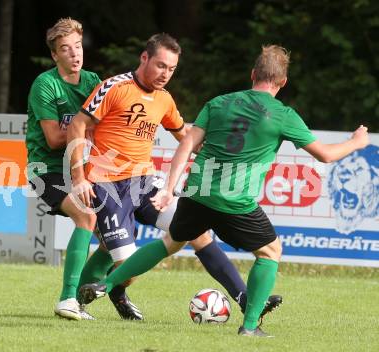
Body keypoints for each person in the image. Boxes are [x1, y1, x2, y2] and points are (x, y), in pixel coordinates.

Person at [78, 45, 370, 337]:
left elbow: (186, 145)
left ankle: (107, 283)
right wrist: (357, 142)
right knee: (271, 251)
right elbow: (326, 155)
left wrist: (169, 189)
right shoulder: (282, 114)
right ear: (282, 82)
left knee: (172, 242)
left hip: (196, 194)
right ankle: (251, 325)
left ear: (253, 74)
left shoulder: (218, 103)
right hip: (234, 202)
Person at [68, 34, 282, 321]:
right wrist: (79, 176)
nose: (165, 74)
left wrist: (222, 151)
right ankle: (88, 297)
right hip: (107, 185)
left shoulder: (165, 100)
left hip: (144, 183)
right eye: (160, 65)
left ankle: (245, 298)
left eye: (171, 69)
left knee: (196, 234)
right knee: (125, 265)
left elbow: (186, 136)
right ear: (144, 58)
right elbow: (77, 126)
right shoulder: (114, 87)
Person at [26, 17, 124, 321]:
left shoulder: (94, 81)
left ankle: (82, 297)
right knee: (86, 214)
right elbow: (55, 139)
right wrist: (83, 129)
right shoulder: (46, 84)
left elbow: (108, 127)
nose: (74, 54)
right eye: (65, 49)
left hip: (84, 166)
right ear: (55, 55)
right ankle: (67, 298)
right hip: (48, 169)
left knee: (114, 236)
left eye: (78, 46)